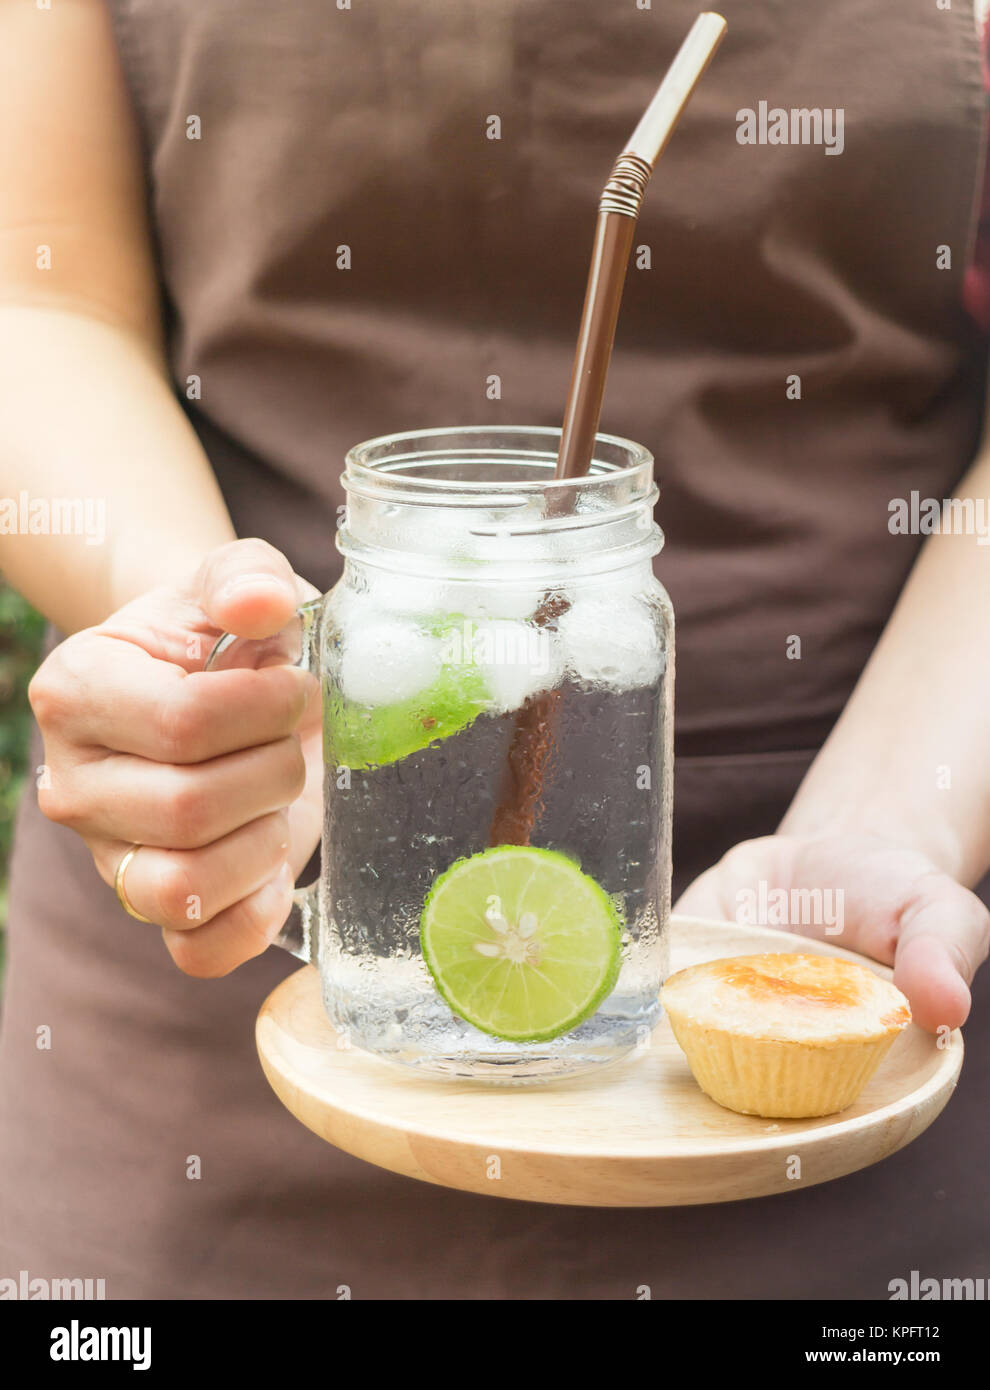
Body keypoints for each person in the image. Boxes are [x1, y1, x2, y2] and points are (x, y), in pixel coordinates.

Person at [0, 0, 988, 1299]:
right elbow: (39, 296)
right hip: (212, 1023)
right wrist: (210, 639)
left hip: (811, 979)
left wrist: (902, 817)